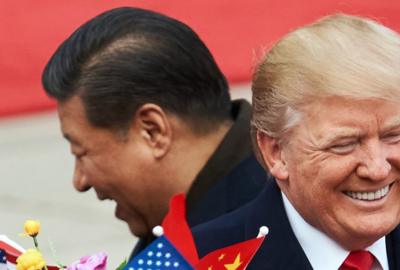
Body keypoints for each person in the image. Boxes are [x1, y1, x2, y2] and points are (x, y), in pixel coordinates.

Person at [193, 14, 400, 269]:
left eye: (393, 135)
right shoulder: (191, 262)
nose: (377, 169)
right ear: (276, 153)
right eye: (344, 144)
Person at [41, 7, 266, 256]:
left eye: (81, 151)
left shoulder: (262, 233)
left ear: (152, 131)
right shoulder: (186, 219)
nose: (80, 181)